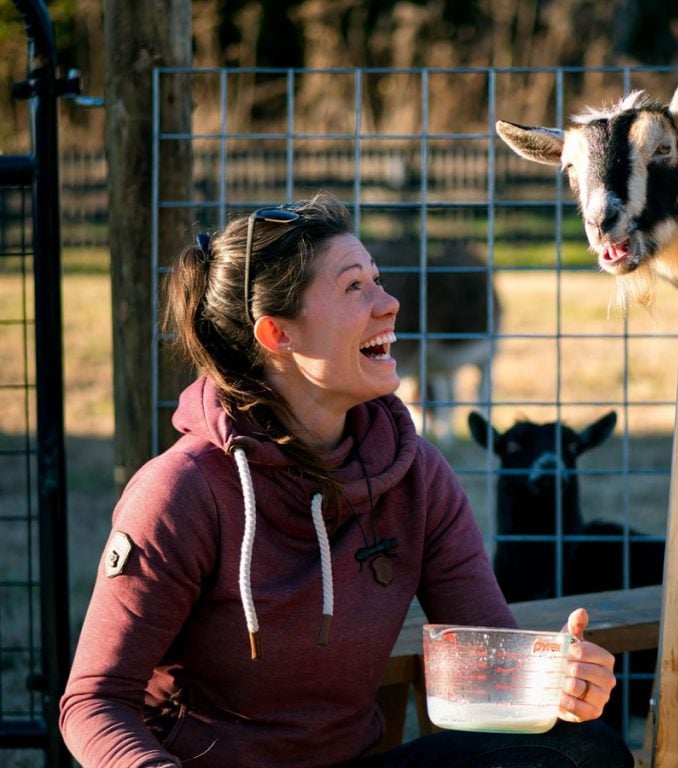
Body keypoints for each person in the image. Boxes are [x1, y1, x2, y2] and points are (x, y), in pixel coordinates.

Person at [59, 193, 636, 768]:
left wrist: (559, 679)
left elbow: (491, 668)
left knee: (586, 753)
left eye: (378, 281)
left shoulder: (416, 474)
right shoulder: (181, 493)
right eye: (354, 287)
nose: (389, 303)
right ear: (277, 335)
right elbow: (93, 701)